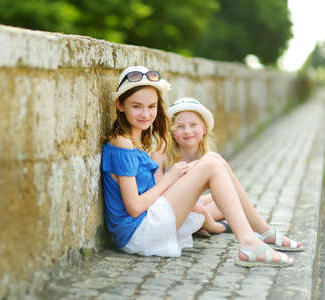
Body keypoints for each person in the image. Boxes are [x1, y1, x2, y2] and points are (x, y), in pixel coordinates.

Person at [101, 66, 297, 267]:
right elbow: (134, 208)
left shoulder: (137, 140)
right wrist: (171, 179)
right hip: (137, 232)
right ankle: (250, 241)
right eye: (136, 106)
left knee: (214, 160)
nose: (145, 113)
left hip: (147, 222)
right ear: (120, 104)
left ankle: (262, 231)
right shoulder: (122, 143)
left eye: (152, 106)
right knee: (211, 164)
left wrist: (187, 174)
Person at [151, 97, 304, 250]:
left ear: (204, 129)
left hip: (192, 206)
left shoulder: (203, 155)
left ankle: (260, 228)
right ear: (171, 131)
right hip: (172, 211)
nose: (187, 131)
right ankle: (223, 227)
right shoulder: (162, 152)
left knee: (228, 197)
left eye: (193, 125)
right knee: (209, 202)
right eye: (180, 126)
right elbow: (157, 196)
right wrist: (205, 215)